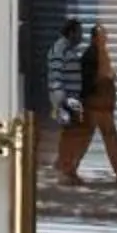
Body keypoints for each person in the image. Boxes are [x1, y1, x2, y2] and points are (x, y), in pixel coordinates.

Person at [72, 20, 117, 186]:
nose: (104, 39)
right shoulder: (91, 55)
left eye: (105, 36)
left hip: (103, 106)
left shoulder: (101, 53)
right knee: (84, 140)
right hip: (94, 106)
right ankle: (68, 169)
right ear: (94, 38)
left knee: (108, 139)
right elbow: (88, 80)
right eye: (101, 36)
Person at [47, 16, 87, 181]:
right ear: (71, 33)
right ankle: (65, 171)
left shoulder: (67, 49)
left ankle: (65, 167)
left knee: (71, 136)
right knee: (70, 136)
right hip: (66, 101)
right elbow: (56, 78)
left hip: (72, 100)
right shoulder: (59, 50)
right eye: (79, 33)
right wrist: (62, 103)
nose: (81, 37)